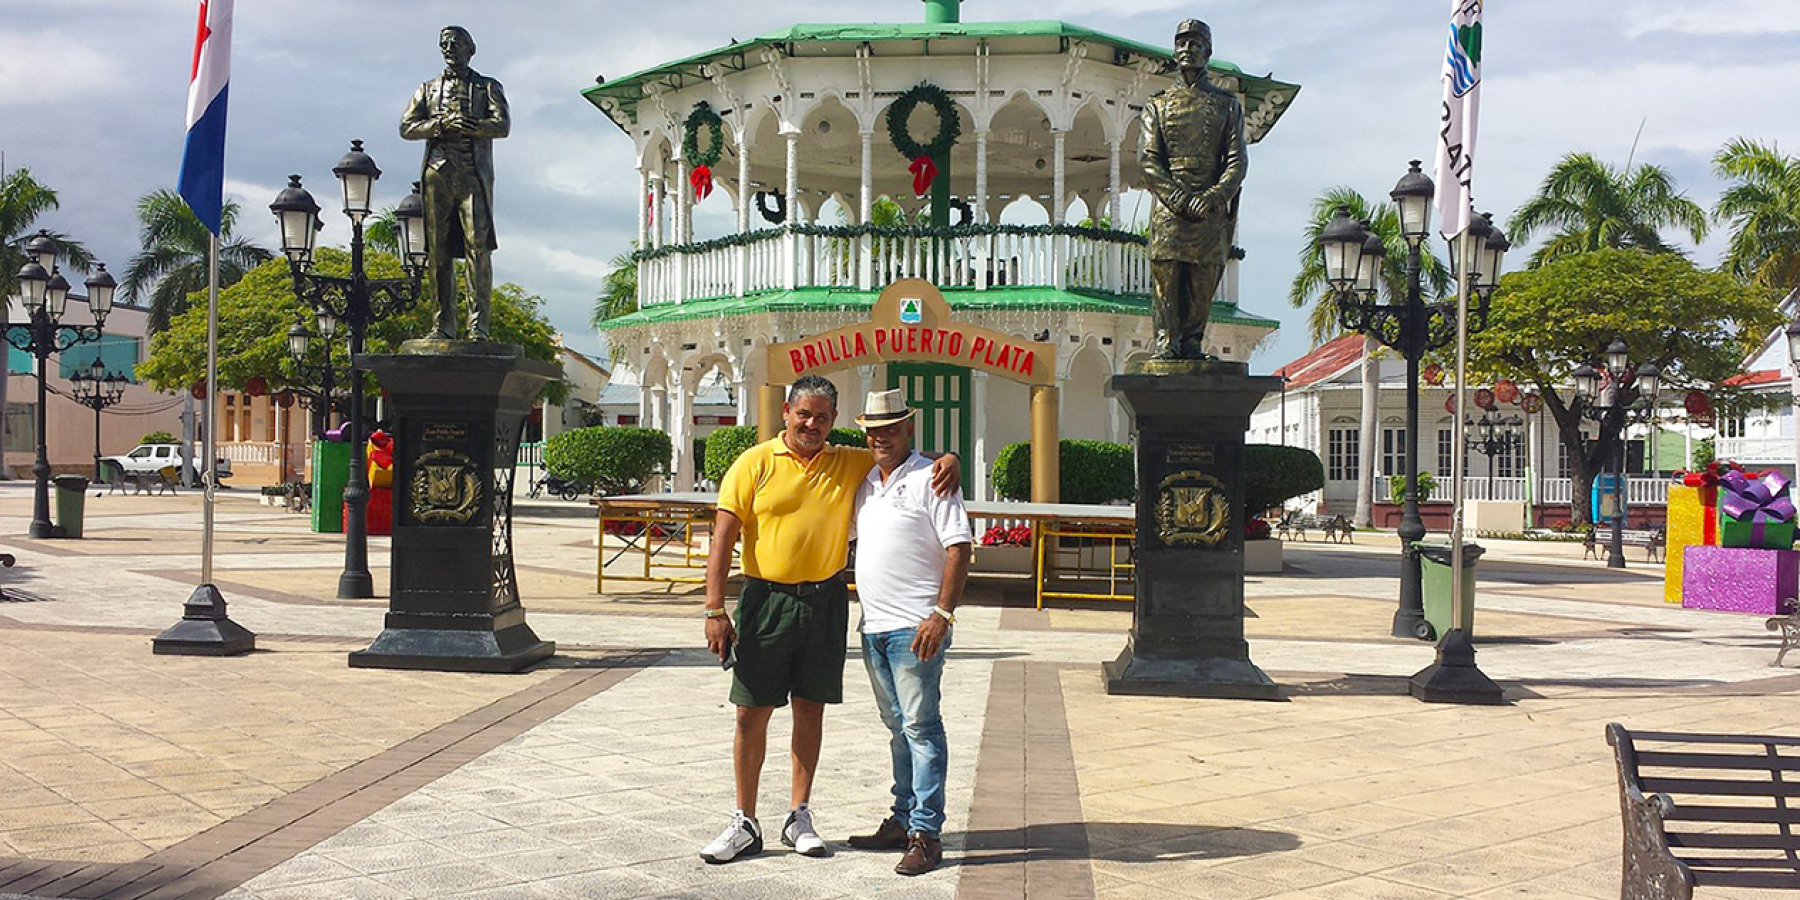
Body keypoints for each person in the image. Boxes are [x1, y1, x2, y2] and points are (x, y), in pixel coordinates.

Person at [700, 375, 960, 864]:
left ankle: (799, 814)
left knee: (810, 708)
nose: (812, 424)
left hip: (824, 602)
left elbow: (906, 458)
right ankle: (744, 819)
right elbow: (722, 539)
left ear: (835, 422)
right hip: (765, 599)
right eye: (804, 414)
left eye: (822, 417)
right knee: (750, 712)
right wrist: (715, 609)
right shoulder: (752, 463)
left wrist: (950, 459)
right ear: (786, 413)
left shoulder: (850, 461)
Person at [844, 390, 971, 876]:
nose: (881, 437)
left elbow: (959, 548)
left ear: (908, 430)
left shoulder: (932, 477)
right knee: (897, 727)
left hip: (915, 627)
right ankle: (901, 819)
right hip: (873, 625)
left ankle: (926, 833)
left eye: (890, 428)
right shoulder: (866, 485)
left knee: (921, 727)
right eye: (873, 430)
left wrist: (942, 613)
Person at [1140, 18, 1247, 360]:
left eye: (1195, 43)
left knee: (1203, 279)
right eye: (1181, 43)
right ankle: (1166, 341)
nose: (1187, 49)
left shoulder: (1227, 105)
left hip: (1209, 209)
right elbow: (1148, 161)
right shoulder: (1157, 105)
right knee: (1167, 277)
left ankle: (1191, 342)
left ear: (1208, 51)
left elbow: (1237, 161)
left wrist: (1215, 197)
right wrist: (1179, 198)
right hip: (1172, 206)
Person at [399, 25, 510, 341]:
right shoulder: (427, 88)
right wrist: (440, 124)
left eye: (456, 43)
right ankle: (442, 325)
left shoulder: (487, 86)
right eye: (444, 43)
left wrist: (473, 126)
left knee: (478, 248)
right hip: (438, 175)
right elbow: (407, 127)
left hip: (472, 177)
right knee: (439, 251)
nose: (449, 48)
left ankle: (478, 328)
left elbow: (502, 125)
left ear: (470, 49)